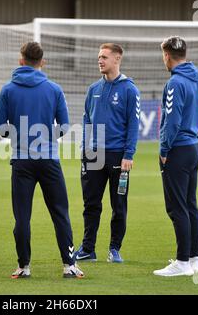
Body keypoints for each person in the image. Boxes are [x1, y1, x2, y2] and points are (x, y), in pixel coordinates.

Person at [0, 42, 84, 279]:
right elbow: (64, 126)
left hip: (22, 160)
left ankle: (23, 266)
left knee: (22, 217)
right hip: (48, 160)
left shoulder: (8, 90)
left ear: (20, 60)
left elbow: (1, 128)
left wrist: (21, 137)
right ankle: (69, 266)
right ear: (42, 62)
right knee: (60, 213)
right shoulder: (54, 89)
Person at [74, 43, 140, 263]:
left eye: (104, 57)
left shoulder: (129, 89)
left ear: (117, 59)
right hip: (93, 155)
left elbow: (133, 124)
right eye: (98, 57)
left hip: (117, 155)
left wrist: (129, 155)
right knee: (90, 204)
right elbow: (86, 119)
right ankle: (87, 249)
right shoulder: (93, 89)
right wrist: (85, 146)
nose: (100, 61)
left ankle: (114, 249)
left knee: (118, 205)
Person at [153, 36, 198, 277]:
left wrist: (164, 150)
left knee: (177, 208)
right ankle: (194, 258)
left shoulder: (175, 83)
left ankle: (182, 262)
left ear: (166, 55)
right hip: (195, 147)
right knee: (190, 205)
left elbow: (172, 120)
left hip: (178, 149)